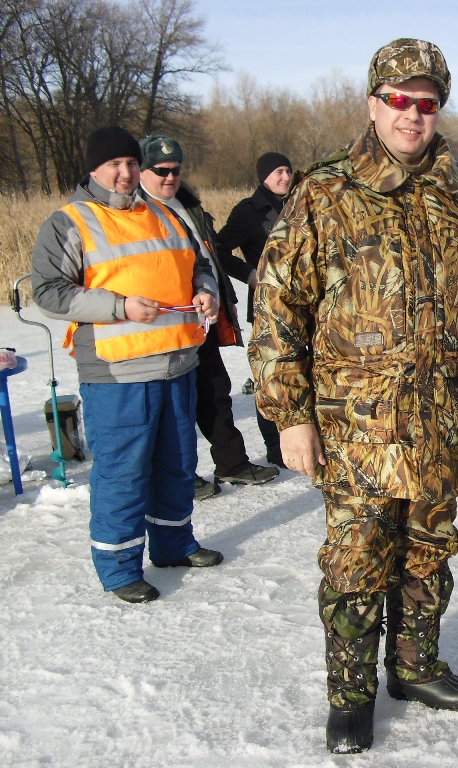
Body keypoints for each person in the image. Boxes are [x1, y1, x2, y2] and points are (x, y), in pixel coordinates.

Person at [247, 39, 458, 754]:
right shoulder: (325, 193)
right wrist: (289, 415)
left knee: (429, 548)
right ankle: (350, 696)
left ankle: (414, 666)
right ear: (374, 103)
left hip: (446, 421)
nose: (413, 115)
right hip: (358, 427)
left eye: (427, 102)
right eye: (399, 100)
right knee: (356, 556)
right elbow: (277, 309)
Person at [31, 125, 224, 603]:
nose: (125, 173)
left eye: (131, 164)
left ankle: (174, 544)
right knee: (123, 472)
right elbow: (48, 293)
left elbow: (198, 263)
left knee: (178, 464)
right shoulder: (70, 221)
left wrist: (207, 292)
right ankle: (118, 568)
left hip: (177, 364)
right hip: (118, 373)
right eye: (115, 165)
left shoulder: (165, 213)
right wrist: (118, 307)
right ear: (94, 168)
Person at [138, 136, 280, 499]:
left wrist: (217, 295)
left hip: (202, 318)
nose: (171, 177)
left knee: (216, 391)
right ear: (141, 171)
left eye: (176, 171)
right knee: (171, 406)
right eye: (161, 171)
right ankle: (177, 478)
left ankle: (232, 463)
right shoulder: (138, 211)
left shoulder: (189, 206)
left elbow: (209, 256)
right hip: (160, 326)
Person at [217, 152, 294, 466]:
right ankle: (276, 449)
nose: (285, 177)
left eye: (288, 171)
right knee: (272, 376)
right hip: (268, 305)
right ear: (263, 176)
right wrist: (250, 274)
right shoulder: (248, 212)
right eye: (278, 171)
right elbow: (219, 249)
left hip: (308, 303)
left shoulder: (300, 204)